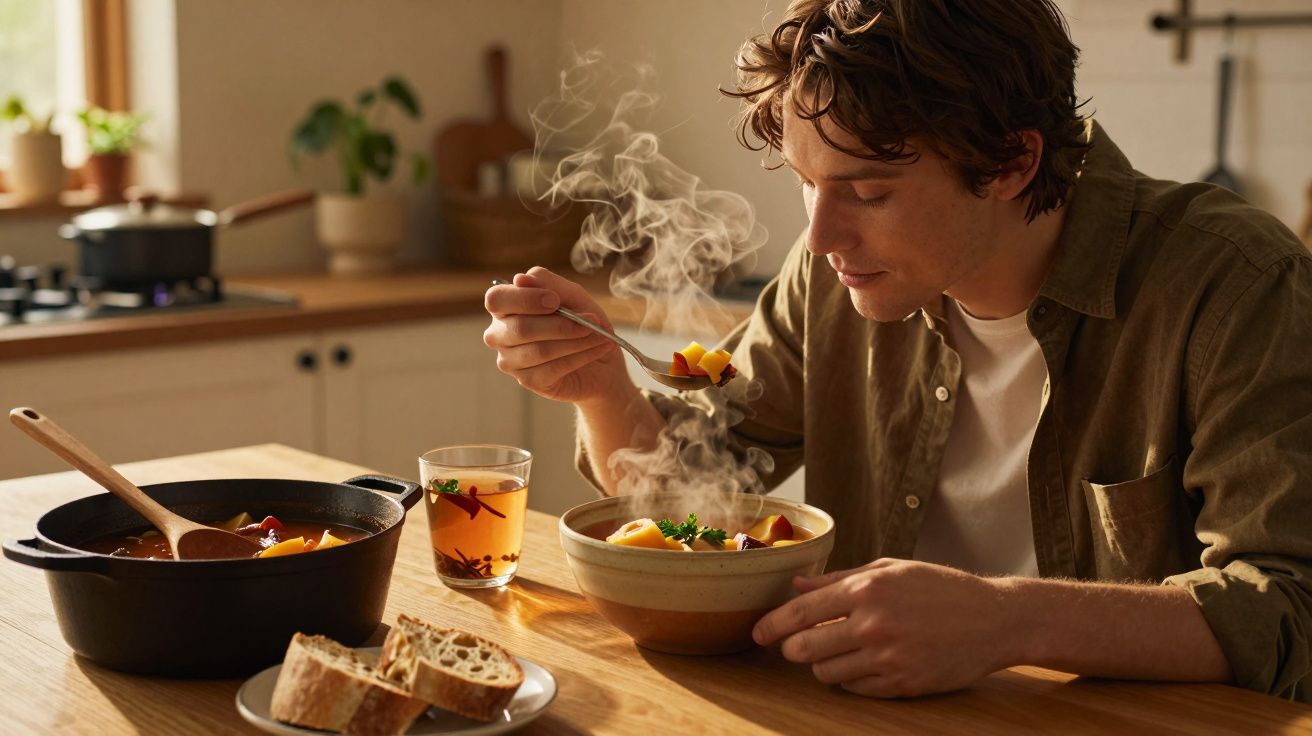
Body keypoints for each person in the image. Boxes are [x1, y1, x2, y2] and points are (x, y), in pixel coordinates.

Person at [483, 0, 1312, 702]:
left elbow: (1288, 608)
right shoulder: (831, 279)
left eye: (869, 192)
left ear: (1013, 162)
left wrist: (1006, 619)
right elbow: (688, 492)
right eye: (806, 182)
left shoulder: (1236, 284)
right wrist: (602, 389)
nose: (820, 237)